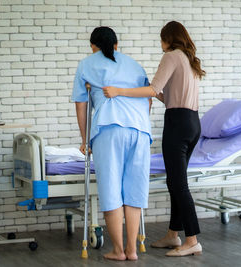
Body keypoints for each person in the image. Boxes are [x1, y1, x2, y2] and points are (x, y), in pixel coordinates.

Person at [103, 21, 205, 257]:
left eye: (161, 39)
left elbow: (153, 90)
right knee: (175, 181)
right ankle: (173, 234)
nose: (160, 44)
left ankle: (192, 240)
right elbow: (165, 96)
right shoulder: (189, 58)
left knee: (178, 183)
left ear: (169, 39)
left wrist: (120, 91)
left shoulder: (171, 56)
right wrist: (147, 88)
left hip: (177, 124)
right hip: (192, 122)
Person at [72, 26, 152, 261]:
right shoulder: (135, 65)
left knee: (111, 189)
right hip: (140, 130)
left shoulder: (86, 64)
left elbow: (81, 104)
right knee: (134, 190)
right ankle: (132, 250)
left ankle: (118, 250)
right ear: (117, 45)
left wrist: (85, 140)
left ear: (93, 46)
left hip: (109, 128)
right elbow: (148, 100)